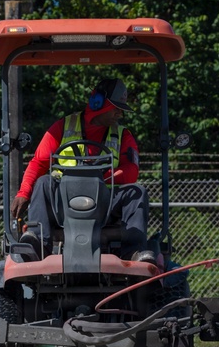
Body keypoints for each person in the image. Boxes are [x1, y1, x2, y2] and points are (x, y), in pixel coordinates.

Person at [9, 78, 154, 263]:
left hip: (104, 202)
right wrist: (23, 193)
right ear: (98, 103)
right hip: (63, 202)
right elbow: (38, 162)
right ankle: (36, 244)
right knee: (44, 182)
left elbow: (131, 170)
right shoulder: (63, 127)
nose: (120, 114)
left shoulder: (123, 135)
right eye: (116, 108)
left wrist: (98, 178)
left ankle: (133, 253)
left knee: (137, 192)